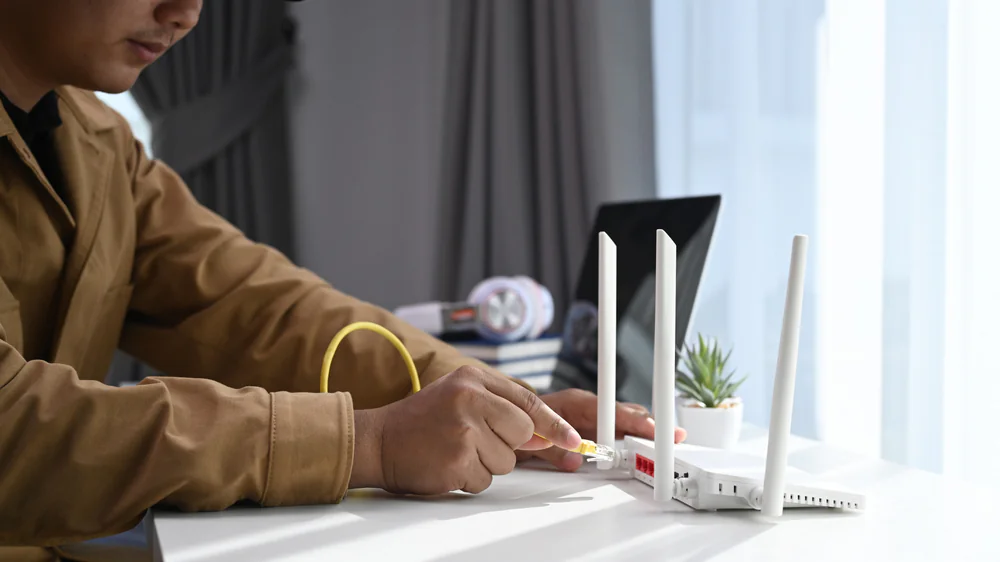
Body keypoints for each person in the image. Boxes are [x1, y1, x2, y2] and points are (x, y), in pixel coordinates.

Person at [0, 1, 685, 559]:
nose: (185, 13)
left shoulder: (97, 144)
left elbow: (258, 306)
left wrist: (499, 404)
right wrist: (367, 443)